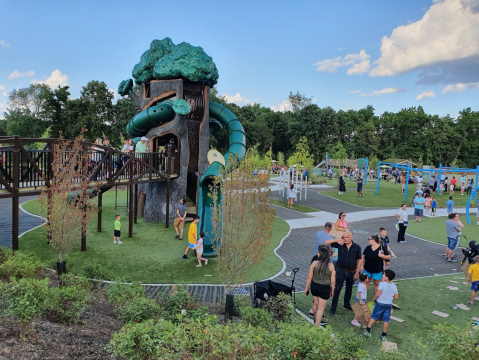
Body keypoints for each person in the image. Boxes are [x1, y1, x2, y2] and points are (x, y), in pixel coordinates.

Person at [325, 231, 363, 315]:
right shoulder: (340, 244)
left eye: (347, 237)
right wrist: (337, 240)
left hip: (352, 272)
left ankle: (347, 304)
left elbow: (360, 260)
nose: (345, 239)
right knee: (337, 289)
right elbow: (326, 242)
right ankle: (333, 308)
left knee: (349, 289)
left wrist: (357, 273)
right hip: (340, 270)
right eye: (343, 237)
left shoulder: (357, 247)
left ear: (351, 237)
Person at [364, 269, 399, 341]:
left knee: (374, 316)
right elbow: (396, 297)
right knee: (386, 319)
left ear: (387, 277)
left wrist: (374, 299)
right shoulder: (394, 286)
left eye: (384, 274)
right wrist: (389, 297)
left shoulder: (382, 284)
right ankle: (384, 334)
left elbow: (377, 294)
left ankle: (368, 330)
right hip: (389, 304)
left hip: (380, 303)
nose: (382, 275)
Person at [305, 247, 336, 327]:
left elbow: (309, 277)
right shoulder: (331, 266)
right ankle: (317, 325)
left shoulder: (314, 263)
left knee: (315, 303)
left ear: (322, 254)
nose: (317, 254)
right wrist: (332, 290)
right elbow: (332, 281)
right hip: (325, 288)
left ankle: (316, 320)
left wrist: (307, 287)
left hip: (314, 286)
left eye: (318, 253)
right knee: (321, 308)